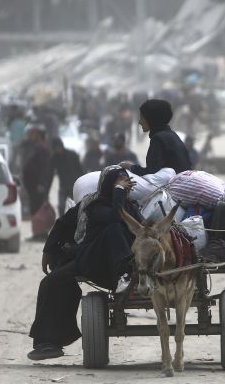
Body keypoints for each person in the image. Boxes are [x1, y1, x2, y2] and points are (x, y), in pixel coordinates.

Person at [27, 166, 141, 361]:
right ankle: (48, 343)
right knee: (50, 283)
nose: (124, 184)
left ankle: (123, 275)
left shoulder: (131, 206)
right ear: (108, 185)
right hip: (92, 262)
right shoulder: (94, 205)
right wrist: (48, 251)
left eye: (126, 180)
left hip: (123, 268)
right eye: (119, 181)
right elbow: (63, 223)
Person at [121, 99, 191, 175]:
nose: (139, 122)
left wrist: (131, 167)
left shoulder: (159, 139)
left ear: (151, 119)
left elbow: (151, 173)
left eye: (142, 118)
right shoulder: (171, 135)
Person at [22, 128, 52, 228]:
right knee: (34, 208)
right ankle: (36, 231)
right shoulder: (33, 148)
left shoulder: (44, 151)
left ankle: (41, 232)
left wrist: (41, 184)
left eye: (37, 137)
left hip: (38, 187)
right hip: (32, 185)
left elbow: (45, 169)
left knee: (39, 209)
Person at [50, 137, 84, 217]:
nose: (58, 150)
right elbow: (50, 174)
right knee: (61, 206)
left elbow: (80, 170)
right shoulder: (54, 158)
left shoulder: (72, 155)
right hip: (63, 186)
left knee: (77, 205)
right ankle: (62, 222)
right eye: (56, 148)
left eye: (58, 147)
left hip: (74, 184)